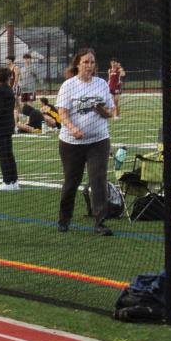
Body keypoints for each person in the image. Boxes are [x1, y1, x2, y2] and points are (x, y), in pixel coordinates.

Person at [56, 48, 114, 235]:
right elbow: (62, 113)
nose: (89, 66)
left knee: (98, 180)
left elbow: (110, 112)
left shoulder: (101, 84)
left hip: (99, 141)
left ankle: (100, 222)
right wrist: (73, 128)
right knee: (71, 182)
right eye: (86, 62)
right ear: (77, 64)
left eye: (92, 62)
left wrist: (102, 110)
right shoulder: (68, 85)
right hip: (71, 144)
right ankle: (64, 219)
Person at [0, 67, 19, 191]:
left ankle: (7, 181)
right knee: (8, 154)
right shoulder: (8, 89)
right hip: (8, 125)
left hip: (0, 127)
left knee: (3, 155)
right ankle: (14, 181)